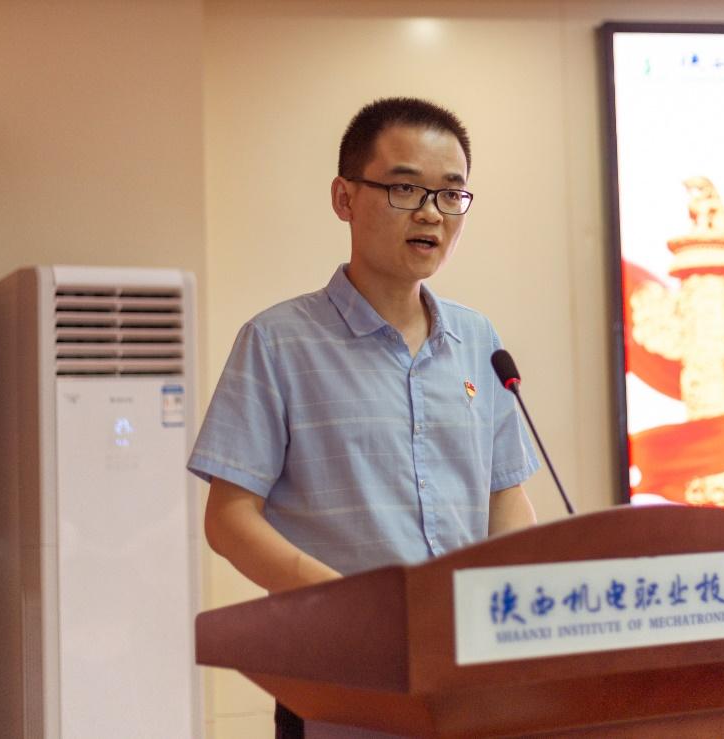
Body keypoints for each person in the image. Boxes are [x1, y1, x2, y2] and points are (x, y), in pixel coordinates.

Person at [187, 97, 540, 737]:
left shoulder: (478, 340)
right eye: (405, 188)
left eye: (450, 194)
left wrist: (506, 600)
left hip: (465, 671)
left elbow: (505, 498)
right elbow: (230, 519)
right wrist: (350, 609)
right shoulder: (277, 342)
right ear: (344, 198)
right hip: (336, 673)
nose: (431, 214)